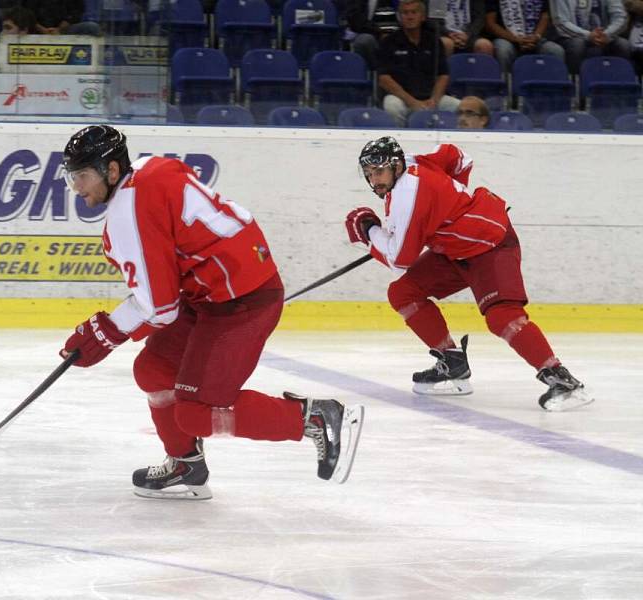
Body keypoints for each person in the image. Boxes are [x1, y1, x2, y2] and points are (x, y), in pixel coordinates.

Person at [59, 125, 364, 499]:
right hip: (213, 293)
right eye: (71, 177)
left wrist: (104, 332)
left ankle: (314, 418)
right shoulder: (148, 168)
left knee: (196, 412)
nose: (77, 187)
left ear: (110, 170)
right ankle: (185, 463)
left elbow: (160, 306)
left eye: (83, 175)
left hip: (242, 301)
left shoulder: (128, 211)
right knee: (153, 370)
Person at [343, 136, 593, 411]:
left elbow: (399, 259)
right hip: (455, 249)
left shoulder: (407, 192)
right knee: (403, 293)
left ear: (396, 165)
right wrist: (450, 203)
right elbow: (458, 157)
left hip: (490, 243)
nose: (374, 180)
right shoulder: (413, 163)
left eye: (379, 172)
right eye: (369, 174)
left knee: (501, 317)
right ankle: (453, 364)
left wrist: (369, 232)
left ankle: (561, 379)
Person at [377, 0, 461, 127]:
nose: (410, 16)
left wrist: (434, 100)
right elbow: (384, 79)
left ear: (422, 16)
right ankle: (400, 142)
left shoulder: (434, 41)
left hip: (431, 98)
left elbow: (443, 75)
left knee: (460, 107)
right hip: (402, 99)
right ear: (400, 17)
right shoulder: (388, 42)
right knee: (392, 107)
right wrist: (412, 102)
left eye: (414, 12)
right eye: (405, 13)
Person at [550, 0, 631, 73]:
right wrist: (588, 35)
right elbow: (560, 22)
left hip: (604, 36)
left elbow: (620, 17)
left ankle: (619, 86)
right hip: (569, 36)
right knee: (578, 44)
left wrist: (607, 34)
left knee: (623, 45)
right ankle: (576, 83)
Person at [484, 0, 565, 72]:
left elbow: (545, 16)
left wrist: (536, 36)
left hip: (535, 38)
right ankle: (506, 86)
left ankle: (551, 88)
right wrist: (515, 39)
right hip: (507, 38)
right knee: (503, 50)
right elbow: (490, 23)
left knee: (555, 50)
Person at [346, 0, 401, 69]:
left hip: (398, 36)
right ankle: (367, 73)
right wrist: (380, 32)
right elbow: (356, 22)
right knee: (364, 40)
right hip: (370, 35)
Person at [23, 0, 102, 36]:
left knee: (92, 27)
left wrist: (59, 29)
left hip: (63, 30)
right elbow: (24, 12)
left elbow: (76, 12)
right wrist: (42, 30)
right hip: (33, 29)